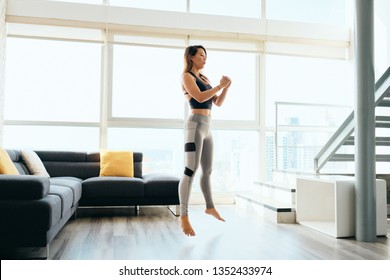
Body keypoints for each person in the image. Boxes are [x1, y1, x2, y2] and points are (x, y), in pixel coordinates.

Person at [179, 45, 231, 236]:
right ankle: (183, 216)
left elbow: (216, 102)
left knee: (207, 170)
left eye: (206, 55)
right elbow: (199, 97)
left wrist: (225, 88)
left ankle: (209, 207)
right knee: (190, 170)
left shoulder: (204, 79)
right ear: (191, 57)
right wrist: (220, 86)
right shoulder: (187, 77)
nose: (205, 58)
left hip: (208, 127)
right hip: (195, 125)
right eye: (201, 55)